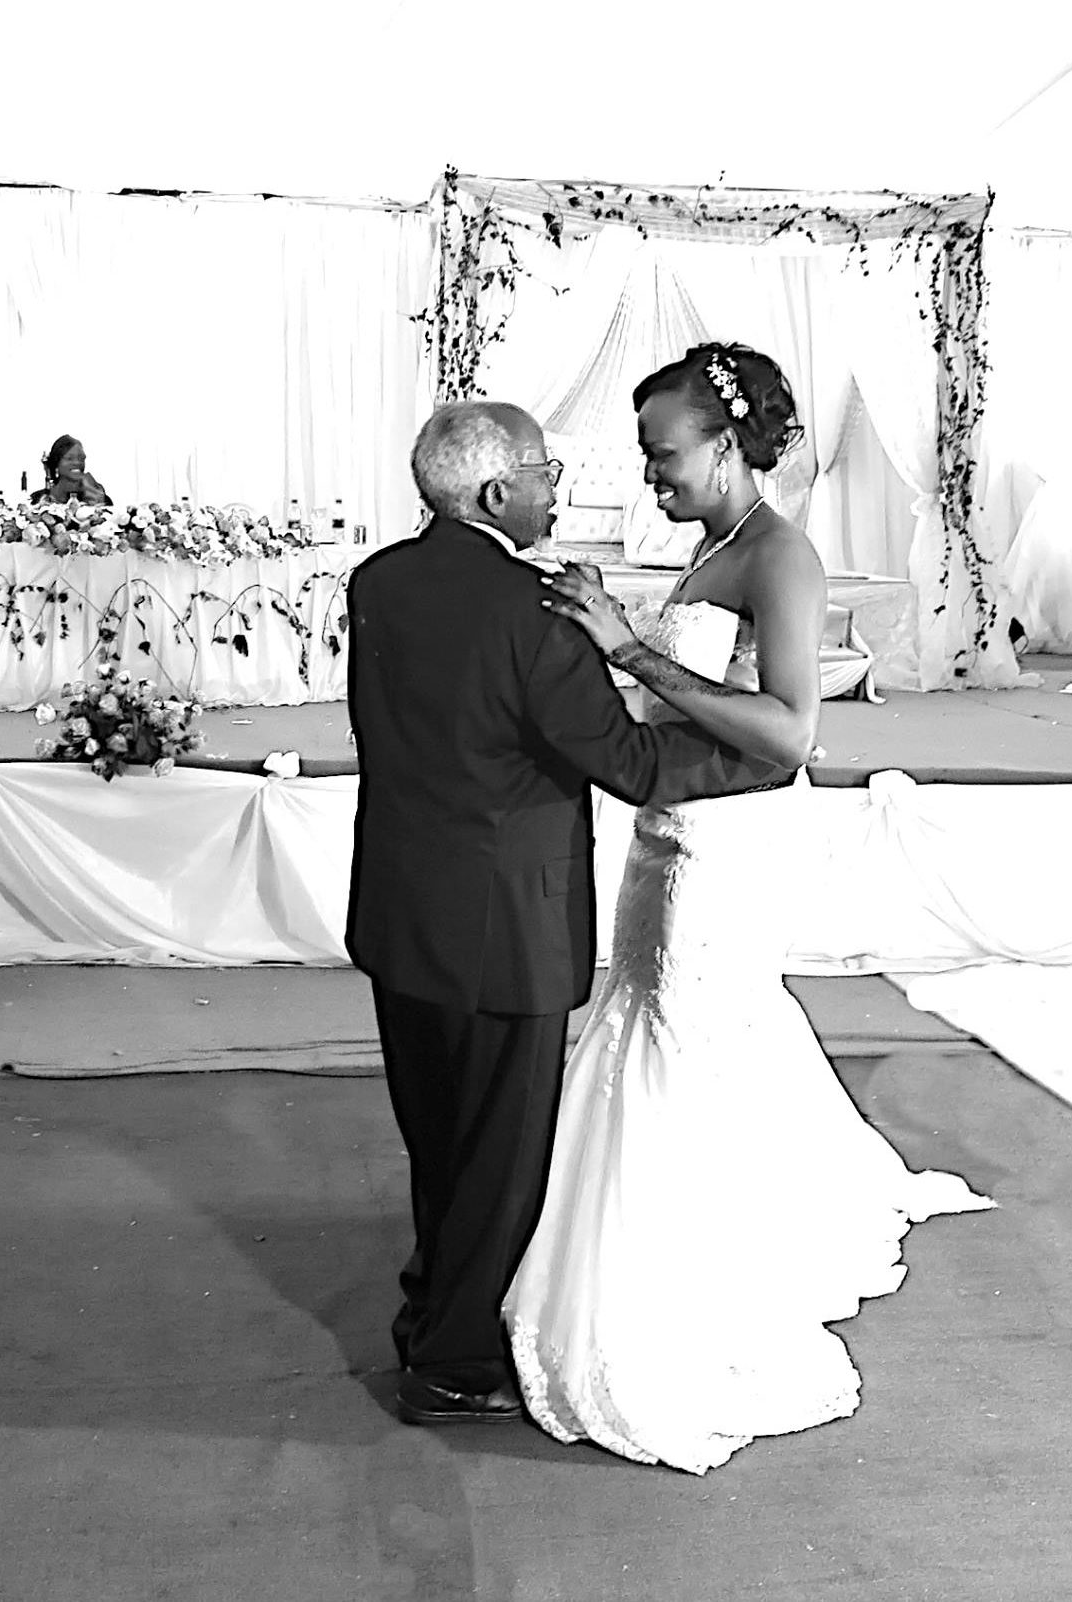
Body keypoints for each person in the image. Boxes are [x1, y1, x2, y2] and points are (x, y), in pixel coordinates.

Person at [519, 342, 993, 1473]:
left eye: (662, 452)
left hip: (726, 846)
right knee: (657, 1024)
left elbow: (786, 732)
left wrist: (624, 644)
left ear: (728, 447)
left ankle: (675, 1281)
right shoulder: (712, 544)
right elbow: (690, 704)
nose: (651, 476)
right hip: (671, 832)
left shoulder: (781, 555)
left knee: (684, 1037)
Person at [345, 399, 788, 1430]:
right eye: (546, 473)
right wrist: (755, 758)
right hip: (507, 923)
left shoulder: (380, 583)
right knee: (500, 1158)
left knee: (441, 1138)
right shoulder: (531, 612)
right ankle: (451, 1364)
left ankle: (428, 1317)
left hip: (401, 907)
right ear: (497, 492)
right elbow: (629, 764)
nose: (560, 489)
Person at [30, 435, 112, 506]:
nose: (77, 463)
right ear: (56, 463)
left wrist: (97, 504)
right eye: (69, 458)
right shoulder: (38, 498)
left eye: (81, 458)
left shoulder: (96, 495)